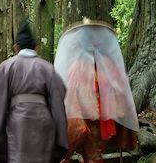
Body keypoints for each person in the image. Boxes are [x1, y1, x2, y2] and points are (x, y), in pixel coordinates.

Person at [54, 19, 139, 163]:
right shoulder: (109, 65)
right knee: (94, 156)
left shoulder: (80, 66)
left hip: (89, 122)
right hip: (103, 121)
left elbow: (71, 95)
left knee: (91, 155)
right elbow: (121, 94)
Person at [0, 19, 68, 163]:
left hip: (17, 122)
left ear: (16, 47)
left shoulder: (7, 67)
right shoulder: (48, 68)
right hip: (44, 121)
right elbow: (58, 102)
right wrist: (61, 141)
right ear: (36, 48)